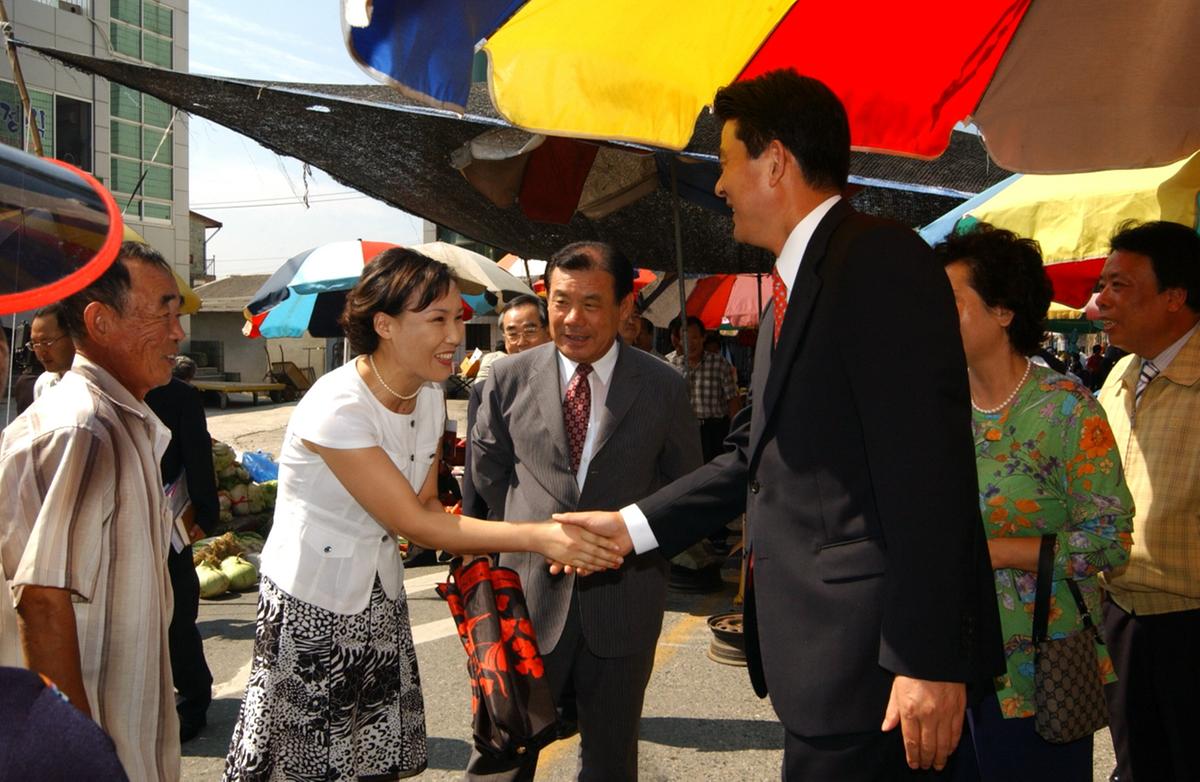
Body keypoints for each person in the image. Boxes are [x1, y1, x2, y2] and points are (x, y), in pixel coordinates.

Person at [557, 69, 1003, 780]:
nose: (720, 184)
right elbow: (749, 459)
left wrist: (929, 660)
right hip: (829, 666)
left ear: (775, 163)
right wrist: (628, 527)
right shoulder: (787, 300)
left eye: (727, 161)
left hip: (881, 666)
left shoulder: (878, 262)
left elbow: (930, 472)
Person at [222, 248, 621, 781]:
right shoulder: (338, 406)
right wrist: (540, 536)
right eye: (437, 319)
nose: (456, 335)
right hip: (311, 600)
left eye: (458, 317)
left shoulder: (429, 396)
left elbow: (430, 503)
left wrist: (486, 548)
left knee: (369, 754)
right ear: (384, 325)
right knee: (306, 759)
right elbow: (412, 521)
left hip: (378, 593)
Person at [465, 241, 701, 781]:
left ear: (624, 308)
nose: (573, 319)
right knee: (502, 751)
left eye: (592, 303)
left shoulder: (663, 386)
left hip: (625, 598)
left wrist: (621, 541)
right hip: (526, 598)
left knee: (610, 759)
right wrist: (535, 536)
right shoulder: (507, 377)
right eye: (561, 301)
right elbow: (489, 474)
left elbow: (682, 489)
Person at [935, 225, 1133, 781]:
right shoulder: (936, 407)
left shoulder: (1066, 410)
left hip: (1038, 671)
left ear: (1003, 311)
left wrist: (998, 551)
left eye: (950, 302)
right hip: (947, 659)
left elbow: (1110, 541)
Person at [0, 241, 186, 780]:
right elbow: (41, 600)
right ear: (101, 322)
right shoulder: (86, 430)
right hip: (97, 748)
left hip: (125, 731)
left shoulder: (121, 421)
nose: (178, 332)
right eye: (163, 313)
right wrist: (76, 759)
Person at [1093, 220, 1200, 782]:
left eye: (1120, 285)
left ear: (1174, 297)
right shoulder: (1118, 375)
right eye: (1102, 285)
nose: (1101, 301)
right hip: (1122, 617)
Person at [145, 355, 219, 743]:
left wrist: (204, 513)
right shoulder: (65, 390)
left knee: (176, 613)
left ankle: (192, 698)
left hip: (169, 520)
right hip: (115, 522)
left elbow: (197, 454)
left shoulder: (178, 396)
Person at [462, 293, 551, 519]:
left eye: (530, 331)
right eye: (512, 334)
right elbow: (477, 464)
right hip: (505, 517)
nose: (521, 342)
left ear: (549, 332)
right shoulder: (485, 391)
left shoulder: (571, 385)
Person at [28, 303, 76, 400]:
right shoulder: (43, 384)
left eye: (46, 342)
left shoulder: (93, 381)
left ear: (72, 336)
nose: (41, 352)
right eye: (35, 344)